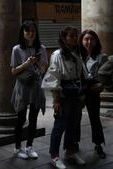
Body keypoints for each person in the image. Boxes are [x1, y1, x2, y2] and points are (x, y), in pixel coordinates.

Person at [42, 26, 86, 169]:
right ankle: (54, 156)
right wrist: (56, 99)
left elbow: (81, 73)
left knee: (74, 125)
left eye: (76, 35)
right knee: (60, 126)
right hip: (64, 94)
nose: (75, 38)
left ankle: (70, 151)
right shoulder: (57, 55)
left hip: (76, 93)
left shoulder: (77, 53)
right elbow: (53, 77)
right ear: (64, 38)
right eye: (71, 36)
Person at [10, 20, 47, 160]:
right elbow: (13, 71)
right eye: (28, 31)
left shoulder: (41, 49)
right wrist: (25, 64)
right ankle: (17, 148)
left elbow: (44, 70)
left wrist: (37, 61)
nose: (31, 34)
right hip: (22, 87)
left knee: (33, 118)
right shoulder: (16, 49)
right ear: (23, 33)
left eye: (33, 31)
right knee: (20, 119)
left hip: (36, 86)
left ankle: (29, 147)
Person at [78, 29, 108, 159]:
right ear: (81, 41)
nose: (88, 42)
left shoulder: (102, 57)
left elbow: (107, 76)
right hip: (78, 91)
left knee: (95, 119)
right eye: (86, 39)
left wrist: (102, 85)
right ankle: (73, 143)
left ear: (96, 41)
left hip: (93, 91)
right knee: (75, 119)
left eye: (91, 39)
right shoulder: (77, 56)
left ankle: (98, 144)